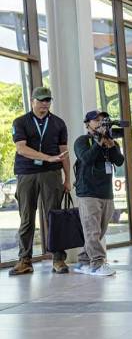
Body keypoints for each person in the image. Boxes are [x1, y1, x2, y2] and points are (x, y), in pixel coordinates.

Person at [8, 87, 70, 276]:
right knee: (27, 218)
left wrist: (68, 178)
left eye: (47, 101)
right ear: (32, 100)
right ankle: (25, 260)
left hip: (52, 175)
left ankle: (58, 260)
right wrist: (47, 158)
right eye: (41, 100)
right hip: (27, 174)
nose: (44, 104)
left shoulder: (58, 123)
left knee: (54, 217)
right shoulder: (20, 122)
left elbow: (64, 153)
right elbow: (21, 149)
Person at [73, 110, 125, 276]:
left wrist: (111, 146)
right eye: (96, 120)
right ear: (88, 124)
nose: (101, 122)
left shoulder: (110, 141)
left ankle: (83, 261)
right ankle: (97, 264)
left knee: (99, 231)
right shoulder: (82, 141)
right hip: (88, 192)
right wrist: (99, 142)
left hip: (106, 192)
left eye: (103, 120)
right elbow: (86, 159)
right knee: (92, 231)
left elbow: (119, 161)